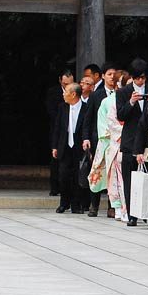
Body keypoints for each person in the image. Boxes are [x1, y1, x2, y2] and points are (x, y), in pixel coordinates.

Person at [89, 70, 129, 221]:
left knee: (128, 177)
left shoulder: (133, 100)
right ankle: (118, 207)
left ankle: (128, 208)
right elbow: (105, 125)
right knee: (114, 178)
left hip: (130, 143)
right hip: (113, 142)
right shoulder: (107, 102)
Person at [115, 58, 148, 227]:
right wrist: (131, 102)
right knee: (129, 179)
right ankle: (131, 214)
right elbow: (120, 115)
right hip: (130, 139)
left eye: (143, 77)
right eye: (137, 78)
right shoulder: (123, 92)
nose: (140, 81)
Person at [82, 62, 119, 217]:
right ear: (103, 76)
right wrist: (86, 138)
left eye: (114, 74)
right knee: (97, 172)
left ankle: (112, 206)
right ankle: (94, 205)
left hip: (116, 140)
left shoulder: (121, 94)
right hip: (100, 140)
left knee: (114, 174)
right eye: (109, 74)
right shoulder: (96, 95)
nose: (112, 77)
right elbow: (88, 119)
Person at [51, 83, 89, 213]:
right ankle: (64, 203)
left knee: (78, 176)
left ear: (73, 94)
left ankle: (76, 205)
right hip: (65, 145)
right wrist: (54, 146)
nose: (63, 94)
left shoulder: (86, 108)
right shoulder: (62, 108)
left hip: (79, 146)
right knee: (63, 175)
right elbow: (57, 128)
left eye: (66, 91)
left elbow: (87, 127)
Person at [45, 70, 74, 196]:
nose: (67, 86)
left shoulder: (75, 91)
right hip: (58, 128)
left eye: (69, 84)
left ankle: (69, 189)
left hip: (72, 129)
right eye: (65, 84)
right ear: (60, 81)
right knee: (55, 158)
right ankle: (55, 187)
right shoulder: (53, 93)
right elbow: (51, 111)